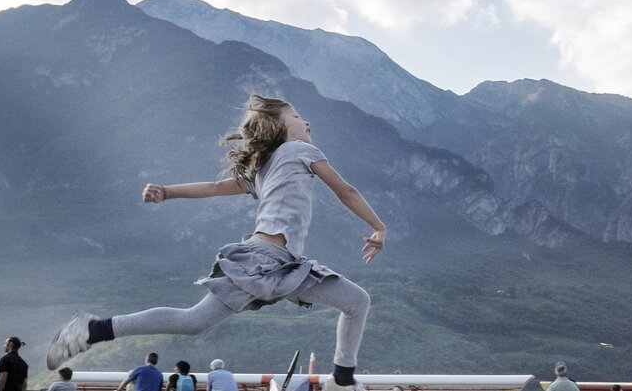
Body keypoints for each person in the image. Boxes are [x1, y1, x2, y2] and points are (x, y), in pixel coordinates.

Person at [48, 94, 388, 391]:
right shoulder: (300, 150)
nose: (306, 120)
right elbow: (346, 191)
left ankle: (342, 380)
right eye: (297, 116)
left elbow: (213, 188)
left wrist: (168, 191)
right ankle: (94, 328)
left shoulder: (262, 166)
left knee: (356, 301)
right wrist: (378, 227)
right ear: (278, 127)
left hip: (287, 265)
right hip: (263, 260)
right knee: (194, 321)